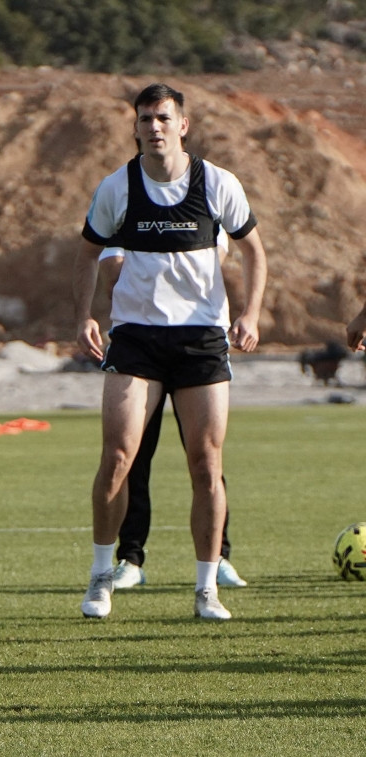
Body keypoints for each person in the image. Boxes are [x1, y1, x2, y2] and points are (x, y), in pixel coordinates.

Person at [74, 82, 267, 621]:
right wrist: (84, 315)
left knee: (206, 463)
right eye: (144, 119)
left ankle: (207, 587)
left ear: (183, 124)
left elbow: (254, 251)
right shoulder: (117, 187)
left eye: (162, 118)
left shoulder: (218, 183)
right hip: (136, 337)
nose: (153, 127)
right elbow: (86, 253)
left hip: (201, 339)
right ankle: (101, 576)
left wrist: (249, 314)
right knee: (117, 456)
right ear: (134, 127)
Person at [98, 237, 248, 591]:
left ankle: (218, 557)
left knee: (206, 459)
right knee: (130, 455)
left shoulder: (205, 199)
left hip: (195, 343)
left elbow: (214, 260)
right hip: (141, 344)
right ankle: (130, 558)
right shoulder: (126, 204)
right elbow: (110, 275)